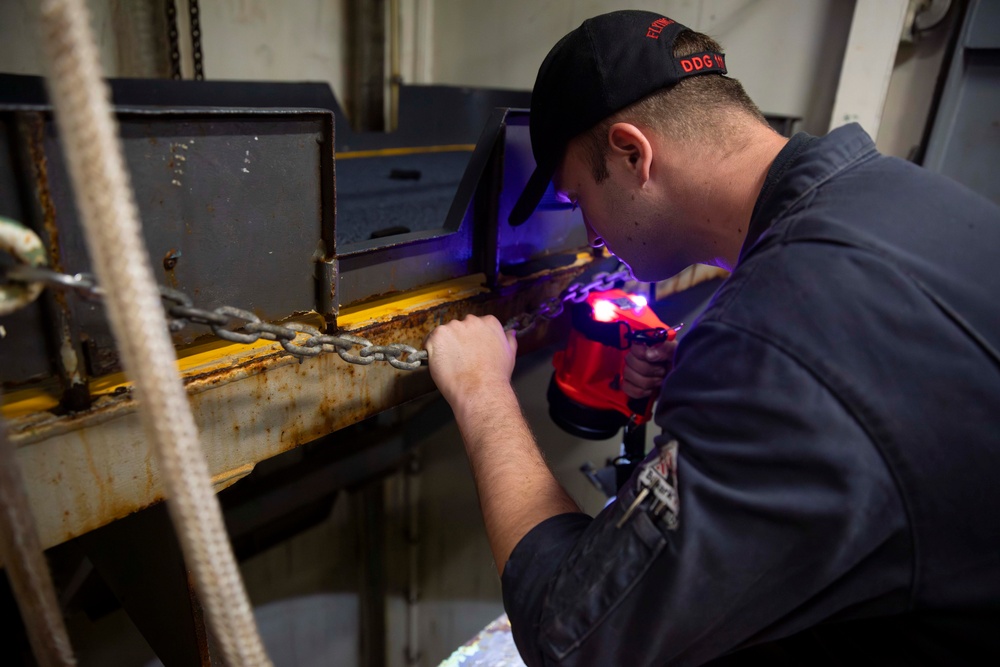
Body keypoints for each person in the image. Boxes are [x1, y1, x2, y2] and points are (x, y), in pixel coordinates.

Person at [425, 10, 1000, 666]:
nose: (592, 237)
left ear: (633, 153)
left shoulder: (779, 334)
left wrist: (479, 392)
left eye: (580, 198)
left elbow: (574, 637)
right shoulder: (889, 192)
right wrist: (717, 394)